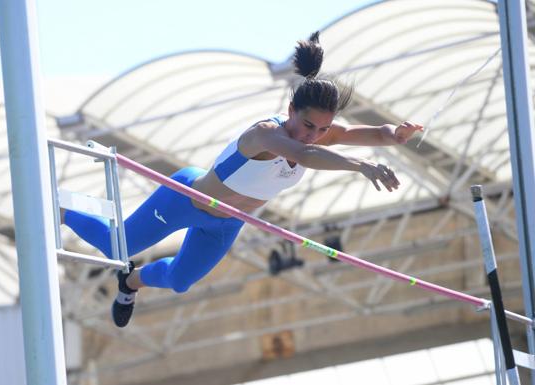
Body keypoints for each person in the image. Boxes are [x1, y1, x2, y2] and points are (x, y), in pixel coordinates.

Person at [61, 31, 423, 327]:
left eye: (323, 129)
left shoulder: (319, 133)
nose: (314, 134)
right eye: (308, 125)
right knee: (114, 247)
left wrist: (395, 134)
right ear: (291, 110)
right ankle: (61, 207)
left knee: (180, 281)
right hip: (186, 198)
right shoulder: (265, 134)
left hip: (225, 223)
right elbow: (303, 156)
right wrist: (362, 166)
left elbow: (373, 132)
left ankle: (130, 281)